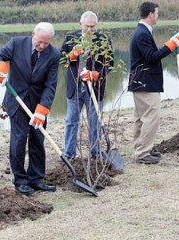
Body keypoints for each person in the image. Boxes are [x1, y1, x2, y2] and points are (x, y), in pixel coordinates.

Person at [0, 22, 60, 196]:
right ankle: (20, 180)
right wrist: (1, 66)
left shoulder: (53, 55)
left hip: (38, 103)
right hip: (16, 101)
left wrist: (42, 109)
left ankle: (36, 178)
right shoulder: (16, 43)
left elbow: (50, 85)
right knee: (20, 138)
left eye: (46, 43)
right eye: (40, 42)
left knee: (38, 138)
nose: (42, 46)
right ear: (33, 35)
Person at [129, 2, 179, 164]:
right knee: (151, 117)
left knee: (141, 117)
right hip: (145, 83)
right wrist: (172, 44)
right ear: (151, 14)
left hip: (142, 82)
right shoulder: (142, 33)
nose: (158, 16)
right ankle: (143, 153)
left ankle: (141, 148)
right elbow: (152, 57)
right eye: (157, 13)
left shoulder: (142, 31)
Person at [59, 11, 114, 160]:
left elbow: (110, 64)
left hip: (95, 89)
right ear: (80, 24)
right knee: (71, 121)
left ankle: (96, 153)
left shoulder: (103, 39)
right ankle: (70, 154)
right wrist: (71, 55)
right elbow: (60, 59)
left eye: (93, 27)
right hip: (75, 88)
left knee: (95, 123)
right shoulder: (71, 38)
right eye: (87, 26)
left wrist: (96, 74)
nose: (90, 30)